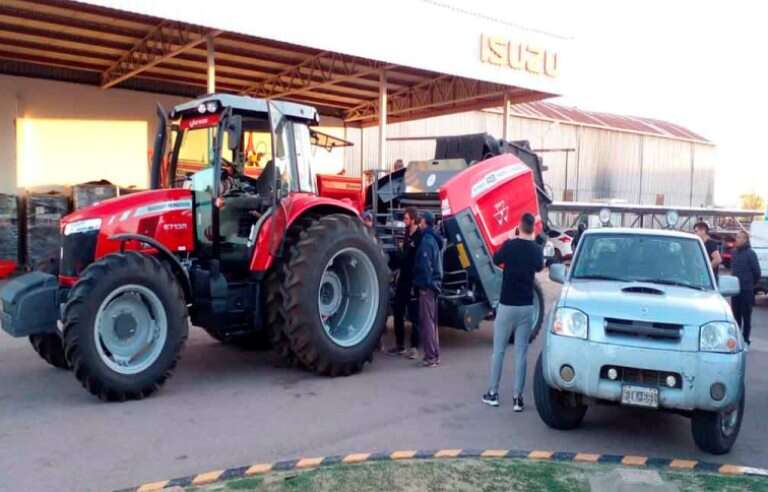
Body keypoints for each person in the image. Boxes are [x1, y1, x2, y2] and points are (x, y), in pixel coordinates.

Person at [482, 212, 544, 412]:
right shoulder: (536, 250)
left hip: (507, 305)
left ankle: (493, 393)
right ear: (532, 228)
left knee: (498, 351)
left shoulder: (509, 245)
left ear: (519, 226)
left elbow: (495, 259)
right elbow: (539, 267)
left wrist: (511, 238)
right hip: (526, 307)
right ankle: (518, 399)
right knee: (521, 353)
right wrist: (535, 242)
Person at [386, 208, 421, 359]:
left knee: (414, 315)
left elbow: (412, 257)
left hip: (413, 280)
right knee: (398, 311)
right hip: (403, 279)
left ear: (413, 219)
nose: (404, 221)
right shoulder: (407, 234)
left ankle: (414, 347)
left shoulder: (419, 236)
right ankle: (399, 345)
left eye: (406, 218)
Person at [412, 211, 443, 368]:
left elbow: (425, 266)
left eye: (421, 221)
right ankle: (434, 355)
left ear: (425, 222)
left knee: (427, 322)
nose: (420, 223)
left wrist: (424, 285)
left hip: (427, 287)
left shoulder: (426, 241)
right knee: (432, 322)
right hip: (434, 285)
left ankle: (430, 357)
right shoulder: (434, 240)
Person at [730, 230, 761, 345]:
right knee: (735, 316)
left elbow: (757, 272)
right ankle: (737, 339)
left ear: (745, 240)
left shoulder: (751, 254)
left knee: (746, 317)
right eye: (736, 237)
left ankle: (746, 339)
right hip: (735, 290)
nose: (736, 239)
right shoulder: (734, 253)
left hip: (746, 290)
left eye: (739, 237)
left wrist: (750, 283)